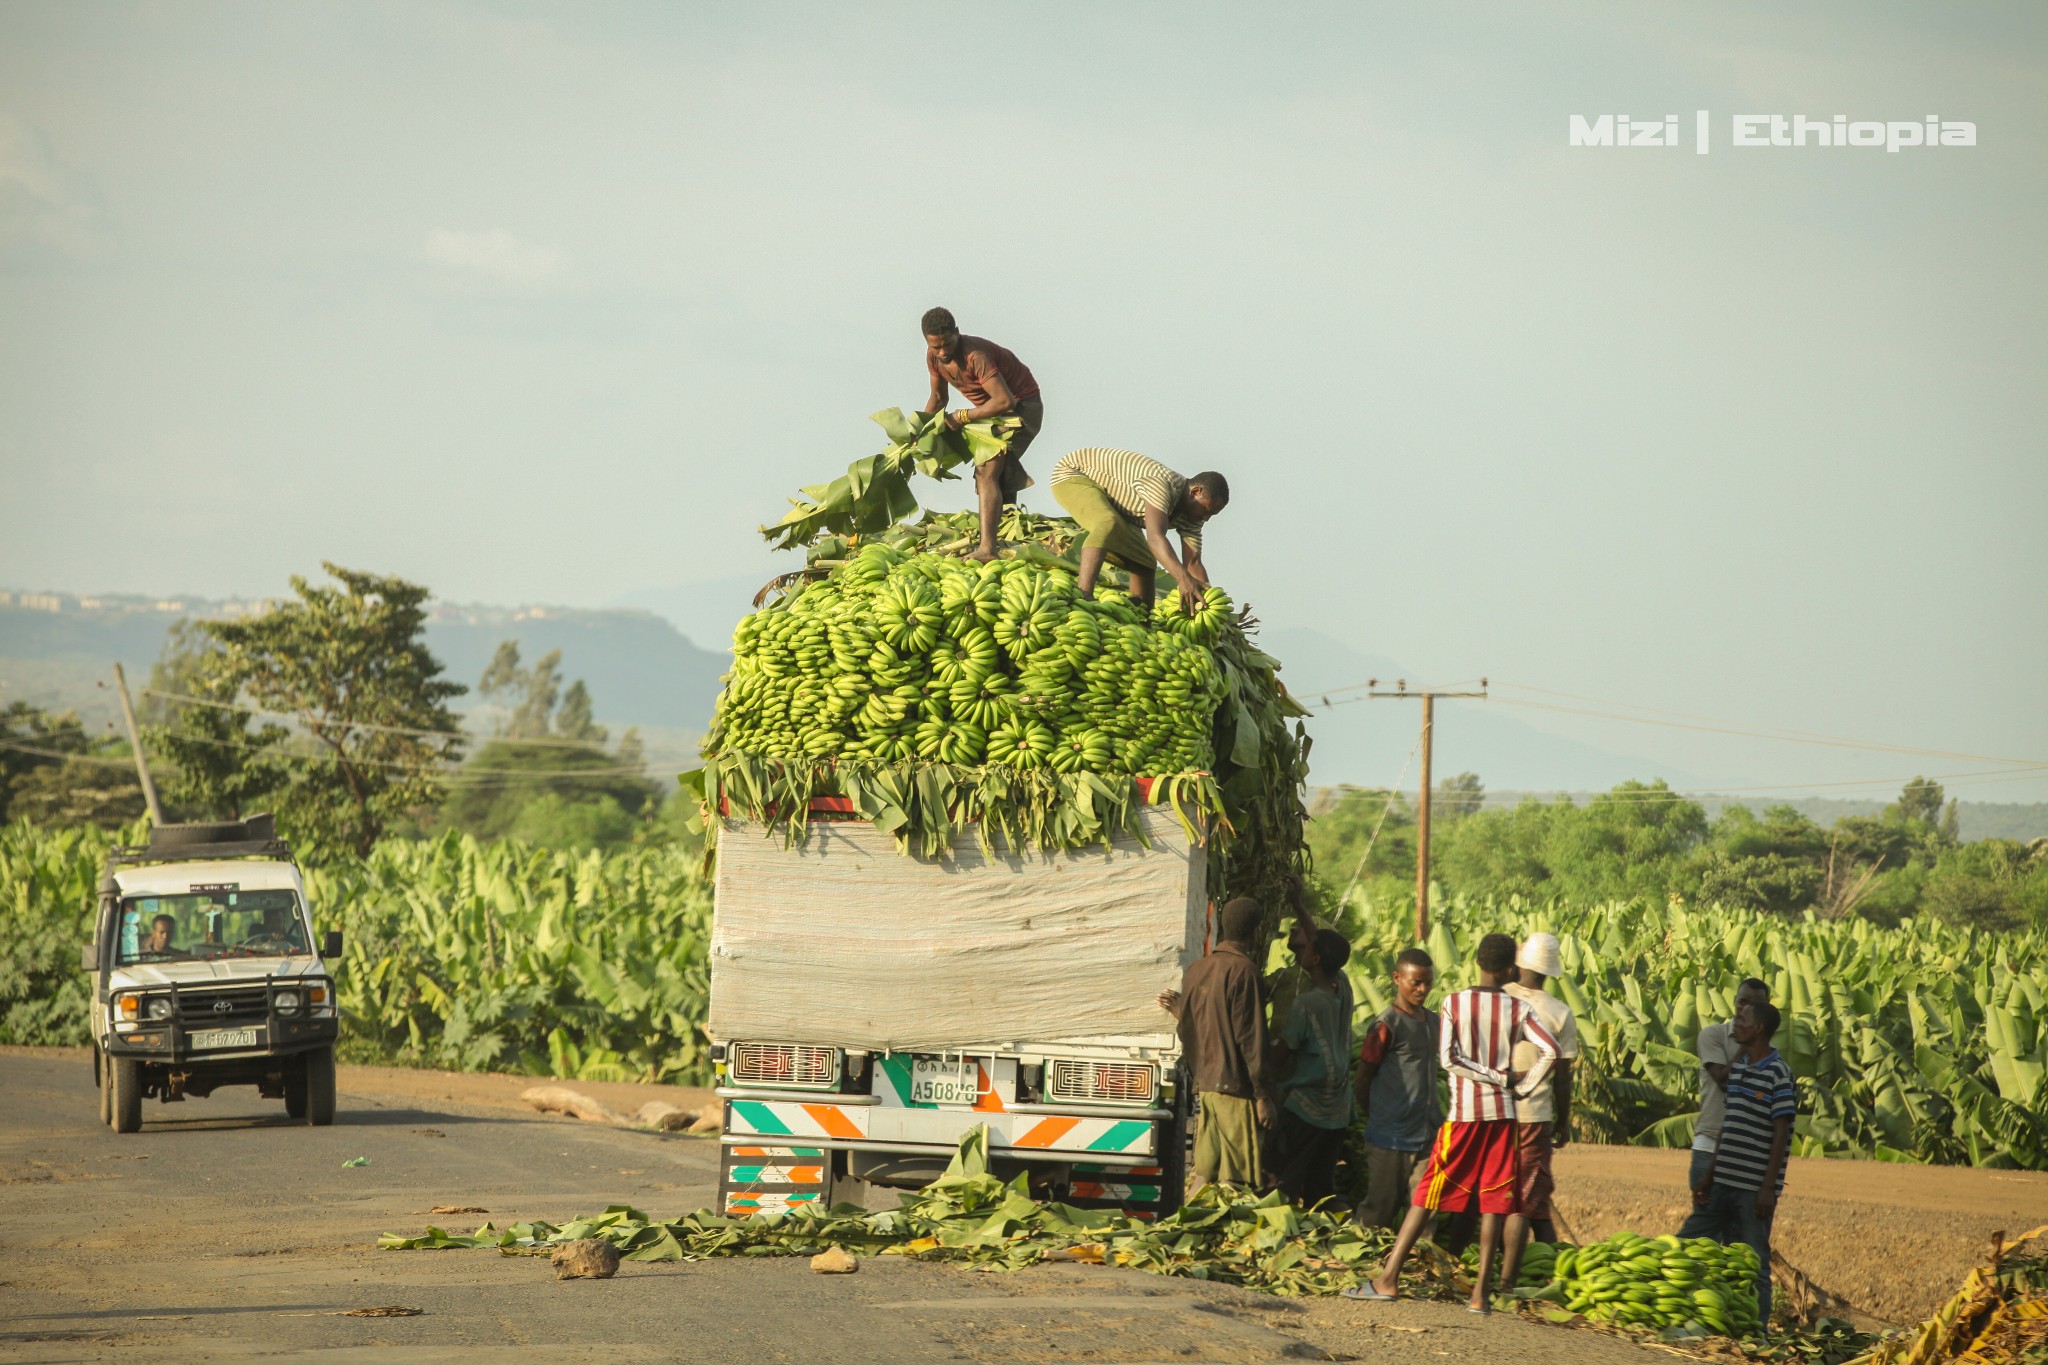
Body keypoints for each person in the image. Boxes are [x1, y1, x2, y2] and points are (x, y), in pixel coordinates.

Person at [1344, 932, 1559, 1314]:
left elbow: (1449, 1060)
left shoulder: (1454, 1003)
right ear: (1511, 969)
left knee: (1427, 1195)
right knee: (1494, 1201)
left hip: (1465, 1116)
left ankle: (1388, 1279)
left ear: (1477, 962)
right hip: (1504, 1116)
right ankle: (1480, 1295)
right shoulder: (1517, 1008)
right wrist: (1521, 1085)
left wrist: (1495, 1076)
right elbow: (1551, 1051)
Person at [1691, 1000, 1796, 1328]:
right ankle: (1714, 1321)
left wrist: (1767, 1188)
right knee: (1706, 1250)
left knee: (1754, 1261)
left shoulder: (1779, 1074)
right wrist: (1709, 1176)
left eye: (1742, 1018)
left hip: (1753, 1189)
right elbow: (1729, 1125)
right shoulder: (1738, 1069)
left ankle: (1758, 1330)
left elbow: (1781, 1135)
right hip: (1723, 1181)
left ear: (1759, 1028)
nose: (1735, 1022)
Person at [1157, 897, 1272, 1188]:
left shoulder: (1197, 970)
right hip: (1234, 1088)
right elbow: (1251, 1039)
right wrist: (1262, 1096)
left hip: (1206, 1087)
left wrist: (1180, 1013)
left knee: (1206, 1174)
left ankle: (1190, 1225)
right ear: (1257, 932)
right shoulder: (1245, 972)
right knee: (1236, 1180)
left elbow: (1191, 1030)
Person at [919, 307, 1044, 562]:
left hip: (1021, 409)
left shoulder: (975, 356)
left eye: (947, 344)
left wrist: (963, 416)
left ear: (957, 333)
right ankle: (1006, 529)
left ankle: (988, 549)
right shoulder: (935, 358)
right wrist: (919, 430)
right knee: (991, 474)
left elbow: (1004, 401)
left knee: (987, 468)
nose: (943, 352)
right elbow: (939, 398)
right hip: (988, 414)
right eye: (936, 347)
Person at [1499, 932, 1581, 1289]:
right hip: (1534, 1114)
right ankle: (1506, 1282)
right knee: (1527, 1192)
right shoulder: (1559, 1012)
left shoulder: (1497, 998)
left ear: (1519, 963)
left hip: (1493, 1111)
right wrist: (1564, 1122)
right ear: (1550, 972)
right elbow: (1562, 1079)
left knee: (1515, 1193)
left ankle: (1543, 1268)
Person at [1048, 447, 1226, 609]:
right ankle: (1084, 595)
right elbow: (1155, 537)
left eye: (1212, 515)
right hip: (1074, 475)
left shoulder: (1193, 516)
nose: (1206, 518)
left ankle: (1142, 615)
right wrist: (1182, 578)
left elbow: (1193, 562)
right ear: (1196, 492)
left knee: (1146, 560)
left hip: (1113, 501)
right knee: (1107, 522)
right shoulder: (1163, 485)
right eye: (1206, 510)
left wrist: (1208, 600)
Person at [1352, 948, 1440, 1230]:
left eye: (1428, 982)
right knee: (1378, 1211)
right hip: (1390, 1137)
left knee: (1425, 1211)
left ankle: (1419, 1269)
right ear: (1397, 979)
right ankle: (1361, 1266)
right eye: (1416, 982)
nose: (1423, 989)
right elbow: (1363, 1077)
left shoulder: (1433, 1022)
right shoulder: (1385, 1025)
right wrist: (1377, 1113)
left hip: (1427, 1134)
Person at [1680, 977, 1772, 1238]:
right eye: (1742, 1002)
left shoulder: (1770, 1055)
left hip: (1746, 1159)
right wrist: (1748, 1042)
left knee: (1738, 1244)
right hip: (1709, 1148)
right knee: (1703, 1241)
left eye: (1754, 1006)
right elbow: (1723, 1080)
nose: (1745, 1010)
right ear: (1734, 1003)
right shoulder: (1713, 1036)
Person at [1270, 928, 1354, 1207]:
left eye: (1308, 950)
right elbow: (1329, 946)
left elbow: (1282, 1053)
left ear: (1315, 959)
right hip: (1339, 1107)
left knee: (1286, 1180)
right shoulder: (1342, 989)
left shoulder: (1305, 1004)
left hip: (1307, 1105)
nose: (1303, 951)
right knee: (1321, 1185)